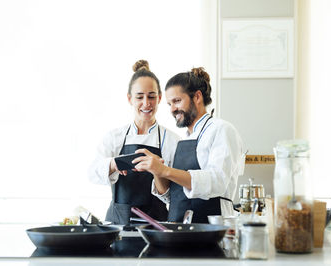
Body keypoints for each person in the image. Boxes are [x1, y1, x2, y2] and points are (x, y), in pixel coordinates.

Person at [132, 67, 245, 223]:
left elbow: (217, 181)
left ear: (197, 97)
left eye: (177, 101)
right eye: (169, 104)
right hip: (179, 226)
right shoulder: (182, 140)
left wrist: (165, 170)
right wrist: (157, 171)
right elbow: (173, 197)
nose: (173, 109)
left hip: (212, 226)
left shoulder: (222, 130)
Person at [88, 60, 180, 225]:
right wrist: (114, 164)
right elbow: (92, 173)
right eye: (139, 97)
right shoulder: (114, 137)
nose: (146, 103)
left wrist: (158, 170)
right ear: (130, 99)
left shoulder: (172, 141)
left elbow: (173, 195)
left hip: (156, 226)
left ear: (159, 98)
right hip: (118, 225)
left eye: (151, 96)